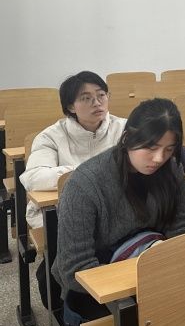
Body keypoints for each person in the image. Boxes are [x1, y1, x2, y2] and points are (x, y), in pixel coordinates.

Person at [52, 98, 185, 326]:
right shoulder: (84, 184)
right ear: (127, 139)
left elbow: (181, 227)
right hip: (97, 288)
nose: (159, 158)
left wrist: (169, 260)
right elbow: (75, 270)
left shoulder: (171, 170)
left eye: (169, 149)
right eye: (151, 147)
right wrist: (143, 277)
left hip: (154, 273)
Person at [21, 71, 126, 229]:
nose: (97, 103)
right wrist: (87, 172)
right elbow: (33, 178)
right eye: (86, 98)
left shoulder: (125, 129)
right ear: (71, 106)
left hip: (117, 208)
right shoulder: (50, 137)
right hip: (65, 213)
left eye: (101, 95)